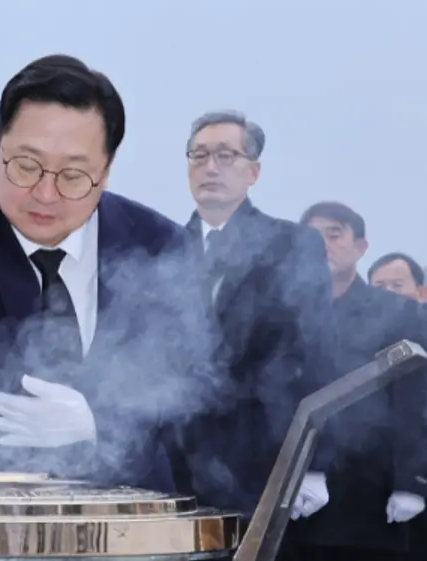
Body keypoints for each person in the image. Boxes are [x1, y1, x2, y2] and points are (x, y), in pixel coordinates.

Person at [0, 54, 206, 488]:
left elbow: (188, 377)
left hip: (131, 504)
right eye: (26, 166)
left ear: (106, 171)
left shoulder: (158, 245)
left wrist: (100, 421)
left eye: (73, 175)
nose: (45, 194)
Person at [169, 110, 339, 517]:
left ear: (254, 172)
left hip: (258, 460)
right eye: (199, 155)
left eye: (226, 155)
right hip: (172, 463)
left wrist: (313, 463)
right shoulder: (165, 246)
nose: (211, 167)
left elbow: (315, 352)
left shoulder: (291, 244)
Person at [292, 201, 427, 561]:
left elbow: (412, 399)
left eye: (334, 234)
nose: (322, 245)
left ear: (360, 247)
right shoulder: (284, 310)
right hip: (290, 489)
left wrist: (411, 483)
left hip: (368, 490)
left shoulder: (397, 310)